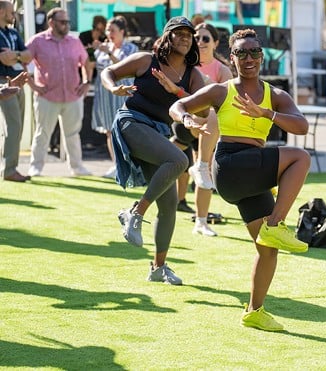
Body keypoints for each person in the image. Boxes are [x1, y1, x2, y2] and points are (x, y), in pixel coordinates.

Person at [169, 28, 311, 331]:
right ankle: (277, 224)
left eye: (254, 52)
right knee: (301, 158)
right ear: (231, 58)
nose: (249, 58)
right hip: (231, 164)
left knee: (267, 250)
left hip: (250, 175)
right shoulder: (222, 90)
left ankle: (255, 311)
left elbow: (301, 126)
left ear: (262, 56)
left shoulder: (277, 95)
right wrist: (187, 119)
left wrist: (266, 113)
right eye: (241, 53)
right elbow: (177, 106)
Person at [101, 16, 205, 285]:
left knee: (169, 203)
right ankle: (135, 212)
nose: (185, 38)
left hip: (157, 132)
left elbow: (205, 109)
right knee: (179, 159)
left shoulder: (193, 75)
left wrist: (178, 91)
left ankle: (158, 267)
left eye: (189, 35)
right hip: (131, 122)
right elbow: (108, 72)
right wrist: (114, 88)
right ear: (167, 36)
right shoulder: (147, 60)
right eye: (179, 33)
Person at [26, 8, 93, 177]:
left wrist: (86, 82)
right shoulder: (37, 41)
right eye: (63, 22)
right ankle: (35, 167)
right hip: (46, 96)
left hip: (72, 95)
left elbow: (86, 62)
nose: (66, 25)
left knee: (73, 134)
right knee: (42, 133)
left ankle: (77, 167)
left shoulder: (74, 41)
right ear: (51, 22)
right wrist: (33, 86)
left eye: (68, 22)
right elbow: (22, 63)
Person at [188, 22, 233, 236]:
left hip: (209, 128)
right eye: (197, 38)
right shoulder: (187, 66)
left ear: (215, 43)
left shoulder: (223, 71)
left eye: (205, 38)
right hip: (185, 122)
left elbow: (227, 104)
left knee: (203, 170)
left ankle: (201, 221)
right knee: (195, 165)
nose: (200, 42)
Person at [91, 16, 138, 179]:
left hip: (123, 95)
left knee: (125, 131)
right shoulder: (103, 48)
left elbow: (125, 68)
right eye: (108, 30)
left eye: (113, 30)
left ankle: (131, 166)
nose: (109, 33)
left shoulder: (130, 48)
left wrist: (109, 53)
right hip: (105, 96)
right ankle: (116, 165)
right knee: (110, 131)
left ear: (122, 32)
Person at [0, 0, 32, 182]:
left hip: (17, 81)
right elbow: (3, 59)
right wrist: (15, 56)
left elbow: (28, 54)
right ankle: (9, 170)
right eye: (11, 11)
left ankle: (10, 167)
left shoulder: (12, 32)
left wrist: (16, 55)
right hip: (3, 81)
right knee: (13, 125)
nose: (14, 14)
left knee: (16, 126)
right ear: (1, 11)